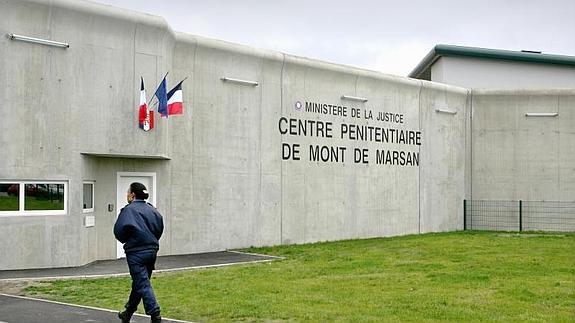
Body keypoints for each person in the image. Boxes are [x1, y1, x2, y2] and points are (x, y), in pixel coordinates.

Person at [114, 182, 164, 323]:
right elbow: (159, 228)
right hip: (152, 251)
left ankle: (155, 314)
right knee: (140, 283)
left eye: (128, 193)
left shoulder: (128, 211)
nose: (127, 195)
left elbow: (118, 232)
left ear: (133, 195)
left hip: (136, 253)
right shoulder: (153, 210)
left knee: (142, 283)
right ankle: (128, 313)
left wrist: (128, 240)